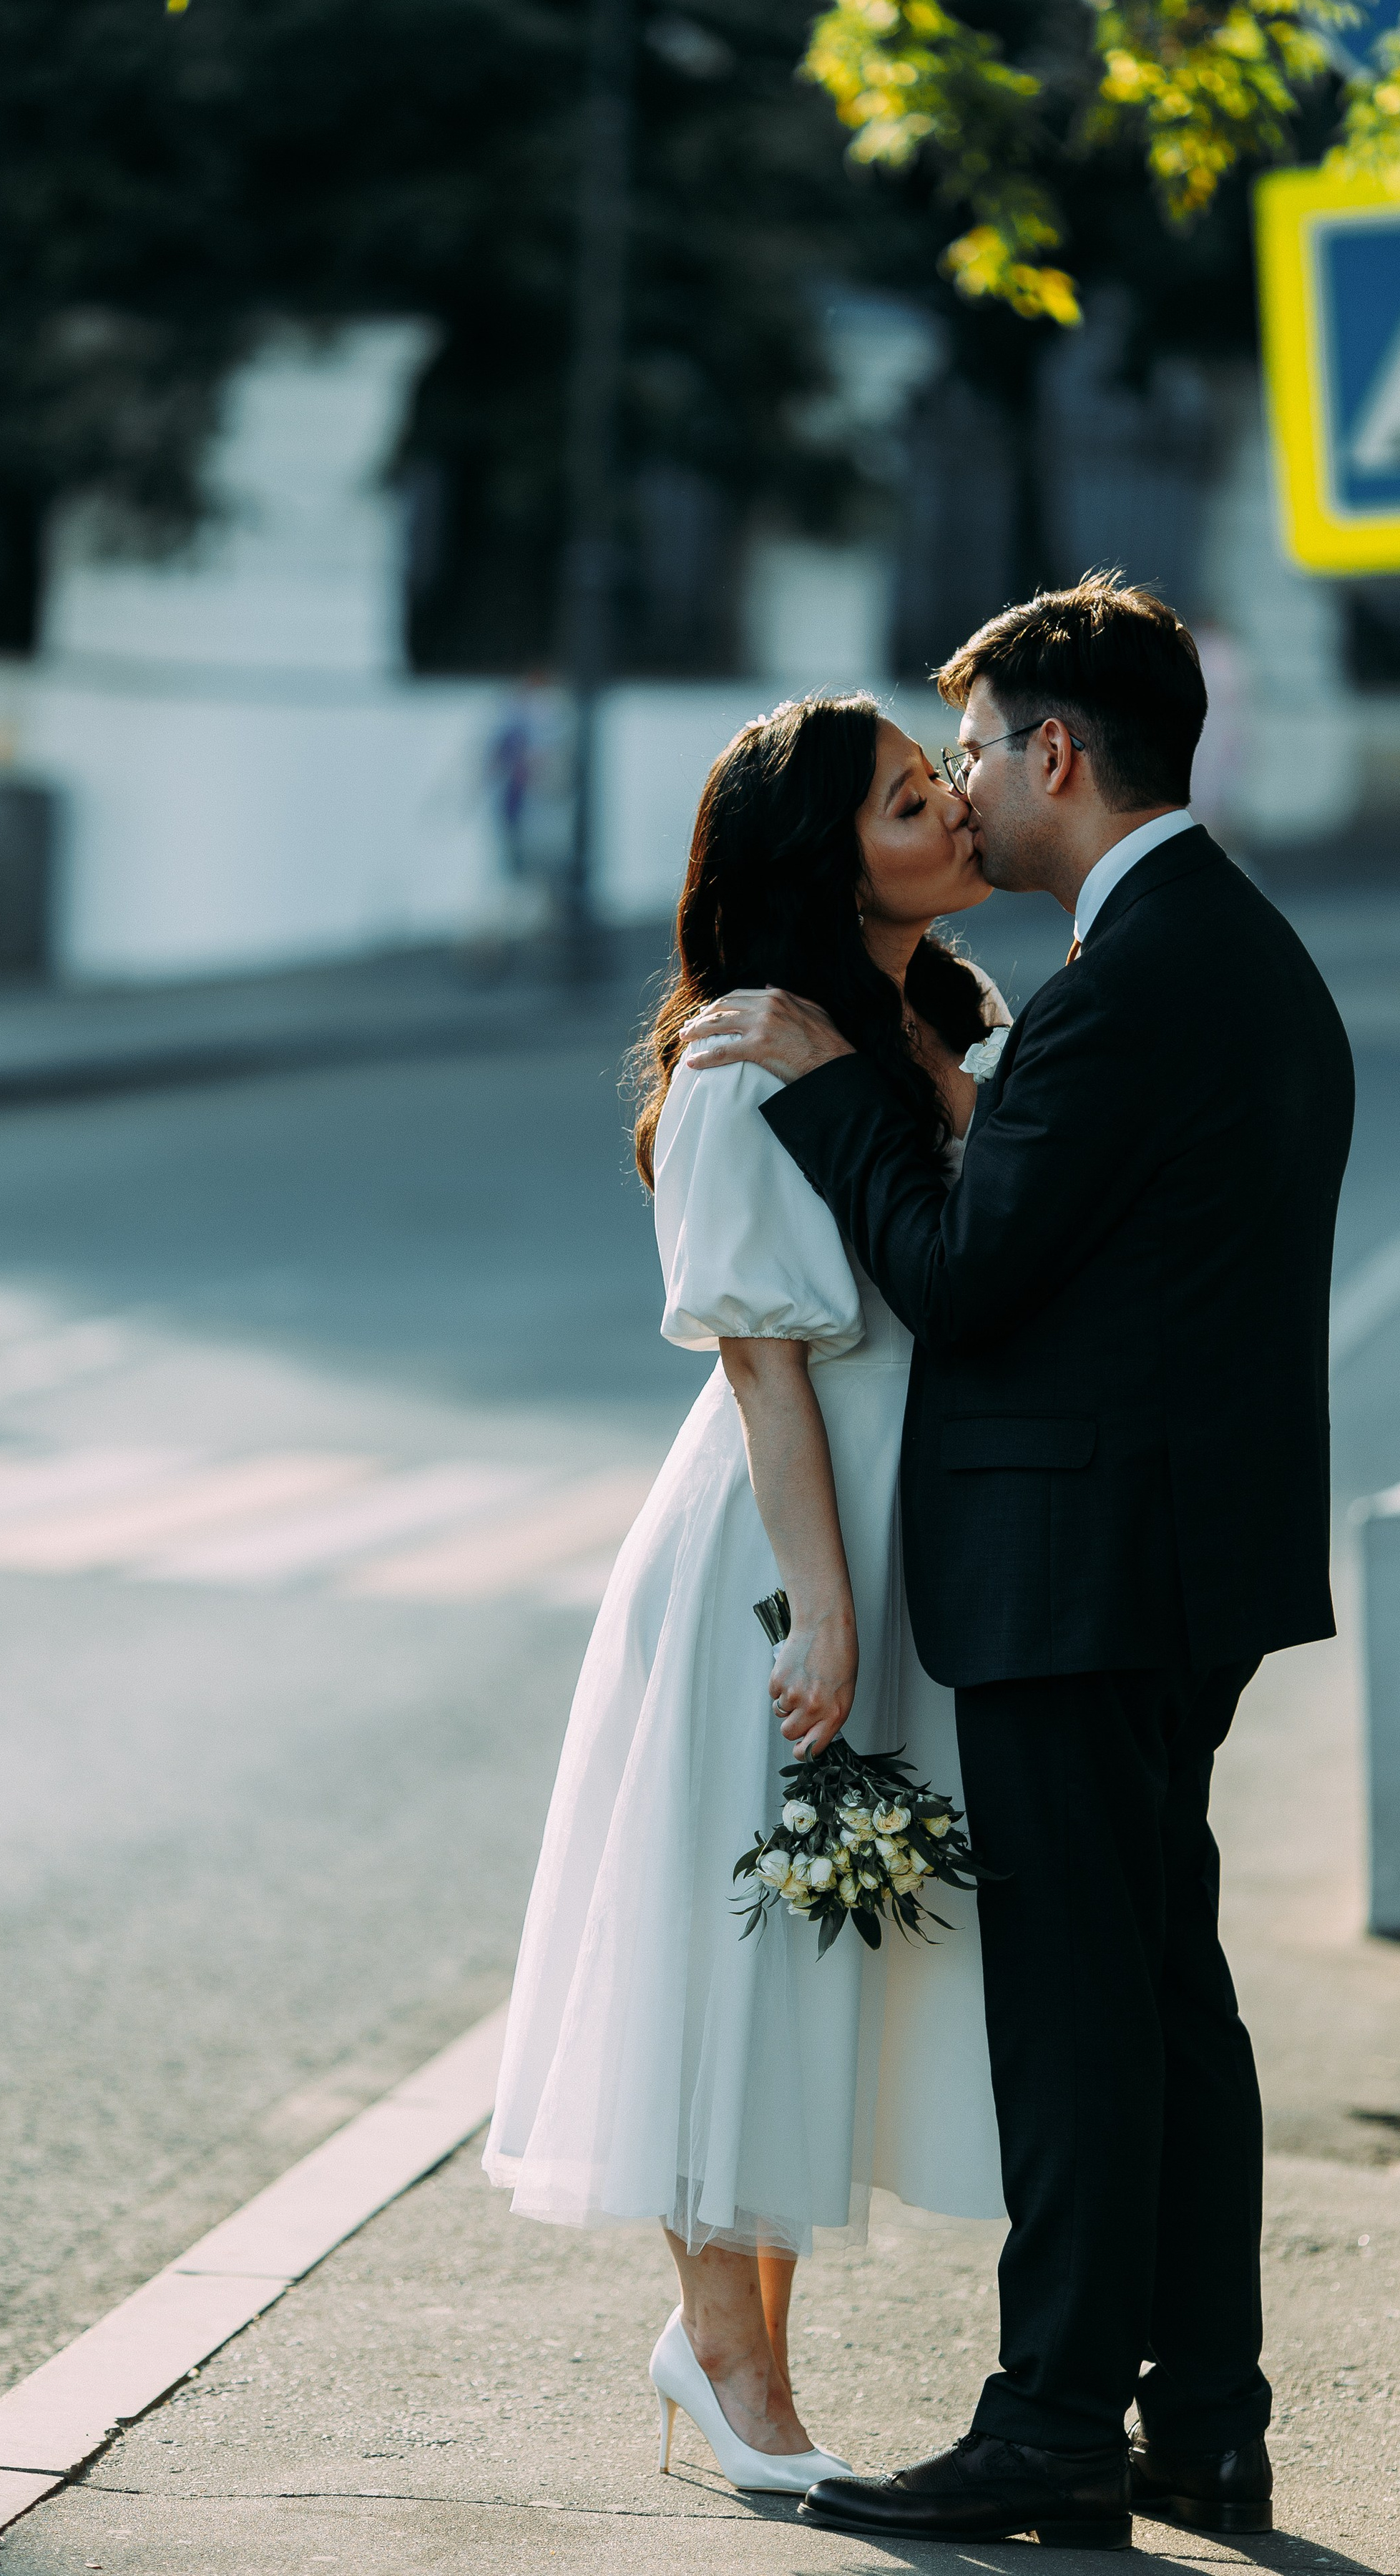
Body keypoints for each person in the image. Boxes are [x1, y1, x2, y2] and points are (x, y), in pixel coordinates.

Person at [685, 573, 1355, 2550]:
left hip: (1089, 1574)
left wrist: (834, 1089)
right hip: (1177, 1562)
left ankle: (1056, 2424)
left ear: (1056, 751)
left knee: (1084, 2023)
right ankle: (1203, 2421)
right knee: (1162, 2003)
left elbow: (964, 1277)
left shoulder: (1128, 985)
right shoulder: (1225, 947)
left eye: (971, 749)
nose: (963, 786)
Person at [486, 693, 1008, 2493]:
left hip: (895, 1526)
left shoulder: (948, 1017)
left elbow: (1008, 1212)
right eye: (907, 801)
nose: (951, 810)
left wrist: (918, 1062)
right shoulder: (732, 1066)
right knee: (743, 1929)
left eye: (938, 782)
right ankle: (723, 2356)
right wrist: (824, 1611)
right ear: (822, 865)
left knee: (817, 1943)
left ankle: (743, 2355)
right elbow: (763, 1367)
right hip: (779, 1549)